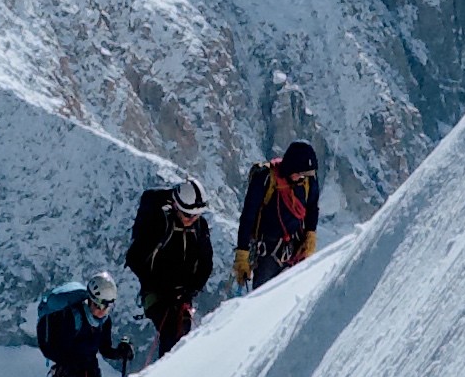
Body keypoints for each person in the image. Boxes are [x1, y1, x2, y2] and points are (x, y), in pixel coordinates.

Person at [124, 180, 214, 359]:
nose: (192, 220)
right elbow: (135, 259)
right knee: (171, 329)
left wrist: (192, 289)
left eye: (196, 215)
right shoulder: (159, 223)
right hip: (156, 293)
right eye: (188, 215)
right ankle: (169, 372)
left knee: (182, 329)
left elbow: (206, 263)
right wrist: (161, 288)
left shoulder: (199, 227)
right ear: (176, 206)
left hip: (183, 293)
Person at [34, 275, 132, 377]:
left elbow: (105, 349)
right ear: (90, 299)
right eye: (99, 305)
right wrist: (70, 366)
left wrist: (120, 352)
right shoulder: (72, 317)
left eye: (106, 307)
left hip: (88, 369)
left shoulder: (104, 321)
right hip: (66, 374)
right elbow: (57, 349)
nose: (101, 311)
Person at [235, 141, 320, 290]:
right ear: (291, 168)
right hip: (267, 252)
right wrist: (243, 251)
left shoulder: (308, 180)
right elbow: (248, 216)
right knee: (262, 298)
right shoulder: (265, 178)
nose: (302, 179)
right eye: (299, 175)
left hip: (296, 247)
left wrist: (310, 233)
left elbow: (312, 208)